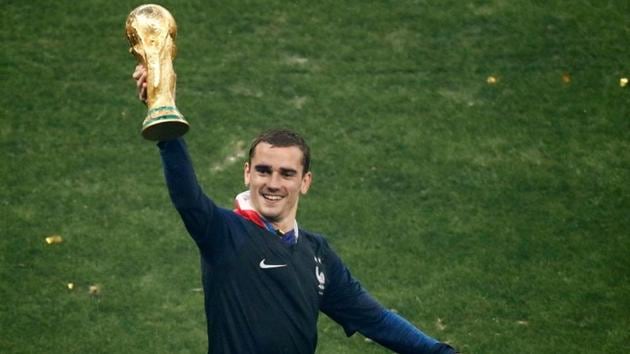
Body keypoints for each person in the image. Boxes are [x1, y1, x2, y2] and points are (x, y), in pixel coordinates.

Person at [132, 64, 457, 354]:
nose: (273, 183)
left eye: (287, 174)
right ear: (247, 172)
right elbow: (187, 197)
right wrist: (164, 117)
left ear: (305, 181)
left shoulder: (317, 253)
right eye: (263, 170)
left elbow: (376, 320)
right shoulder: (223, 234)